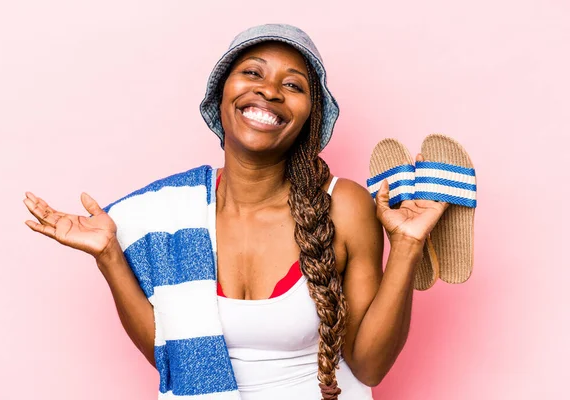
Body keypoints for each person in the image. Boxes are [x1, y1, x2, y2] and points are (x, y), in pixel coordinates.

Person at [23, 24, 448, 400]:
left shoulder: (344, 204)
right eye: (252, 72)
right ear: (221, 93)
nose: (270, 90)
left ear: (308, 118)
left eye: (294, 85)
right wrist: (109, 256)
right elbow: (172, 357)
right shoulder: (169, 213)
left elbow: (370, 366)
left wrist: (408, 246)